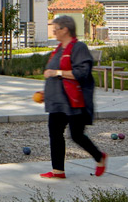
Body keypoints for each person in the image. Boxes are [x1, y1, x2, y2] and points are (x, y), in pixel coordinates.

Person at [40, 15, 107, 179]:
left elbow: (81, 73)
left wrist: (56, 73)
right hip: (57, 101)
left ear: (65, 29)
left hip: (73, 101)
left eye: (56, 28)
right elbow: (53, 75)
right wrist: (46, 93)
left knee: (76, 135)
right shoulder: (58, 49)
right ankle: (58, 171)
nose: (54, 31)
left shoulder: (78, 48)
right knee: (55, 133)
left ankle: (99, 157)